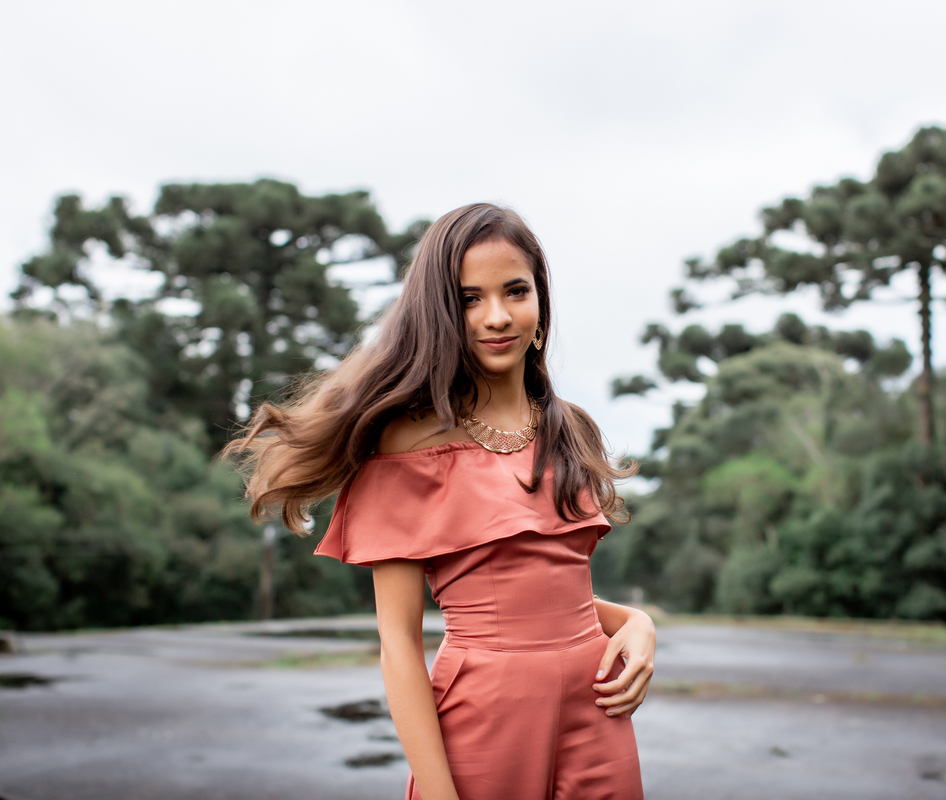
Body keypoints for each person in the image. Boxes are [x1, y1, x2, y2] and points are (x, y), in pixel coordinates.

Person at [224, 202, 655, 799]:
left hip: (598, 716)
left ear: (541, 301)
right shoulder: (408, 444)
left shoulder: (569, 428)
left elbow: (555, 592)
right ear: (440, 312)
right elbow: (399, 646)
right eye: (469, 298)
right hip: (486, 722)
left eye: (515, 291)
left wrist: (637, 622)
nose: (497, 316)